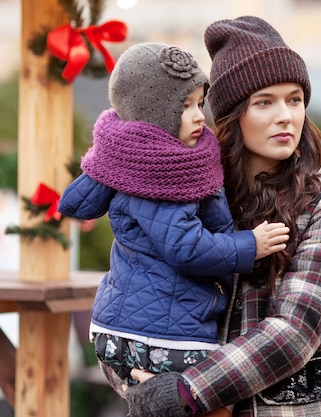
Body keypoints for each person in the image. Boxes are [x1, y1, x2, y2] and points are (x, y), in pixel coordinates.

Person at [123, 16, 321, 417]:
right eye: (264, 102)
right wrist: (141, 386)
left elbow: (295, 333)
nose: (286, 115)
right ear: (233, 115)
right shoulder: (188, 204)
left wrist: (186, 391)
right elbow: (134, 300)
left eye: (295, 99)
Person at [57, 42, 290, 416]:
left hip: (124, 323)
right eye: (185, 107)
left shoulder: (124, 156)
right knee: (219, 399)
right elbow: (185, 248)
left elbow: (78, 198)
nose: (200, 116)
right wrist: (250, 245)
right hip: (161, 333)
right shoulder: (161, 173)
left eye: (200, 102)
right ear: (154, 114)